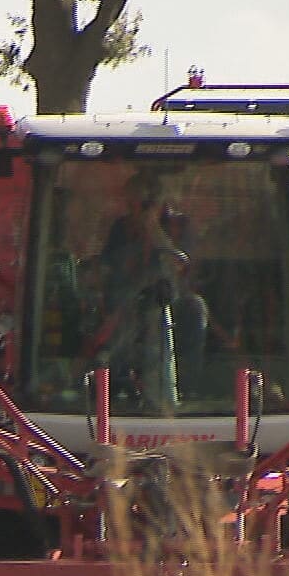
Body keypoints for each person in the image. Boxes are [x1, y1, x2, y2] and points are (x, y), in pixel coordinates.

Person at [88, 172, 209, 406]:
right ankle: (113, 381)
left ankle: (189, 386)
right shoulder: (121, 227)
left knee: (195, 307)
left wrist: (153, 229)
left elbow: (180, 265)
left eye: (137, 204)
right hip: (127, 297)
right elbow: (111, 266)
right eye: (129, 203)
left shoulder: (179, 226)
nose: (131, 209)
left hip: (172, 297)